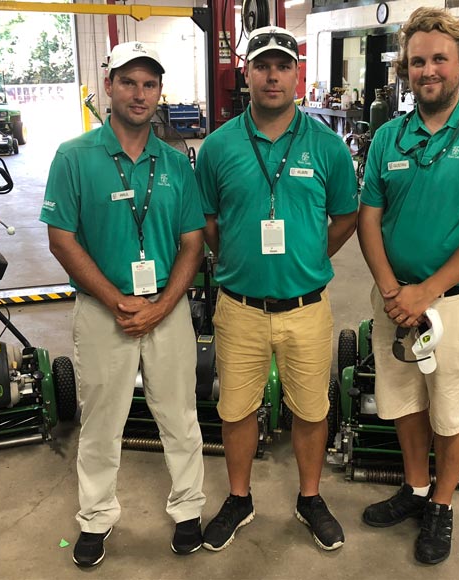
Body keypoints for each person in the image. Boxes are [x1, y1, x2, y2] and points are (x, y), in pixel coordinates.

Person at [357, 7, 459, 565]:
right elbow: (369, 218)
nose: (427, 70)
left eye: (439, 59)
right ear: (406, 68)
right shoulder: (387, 138)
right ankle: (415, 487)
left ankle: (442, 505)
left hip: (453, 302)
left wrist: (425, 293)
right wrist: (389, 289)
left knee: (451, 407)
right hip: (395, 299)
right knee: (404, 402)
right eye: (418, 60)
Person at [40, 41, 206, 567]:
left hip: (167, 309)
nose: (140, 94)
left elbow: (192, 244)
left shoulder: (176, 164)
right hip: (100, 311)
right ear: (108, 87)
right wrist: (117, 301)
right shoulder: (74, 157)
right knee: (102, 420)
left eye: (150, 84)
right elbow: (61, 239)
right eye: (129, 82)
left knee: (179, 416)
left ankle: (188, 510)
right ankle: (94, 520)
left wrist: (162, 305)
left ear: (160, 93)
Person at [195, 25, 358, 552]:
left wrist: (308, 259)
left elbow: (345, 216)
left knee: (312, 411)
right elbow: (210, 222)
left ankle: (309, 498)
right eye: (262, 65)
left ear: (297, 75)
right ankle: (239, 499)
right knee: (235, 410)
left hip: (306, 308)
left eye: (283, 66)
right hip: (238, 307)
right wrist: (237, 260)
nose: (272, 75)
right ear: (246, 73)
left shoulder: (327, 146)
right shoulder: (219, 146)